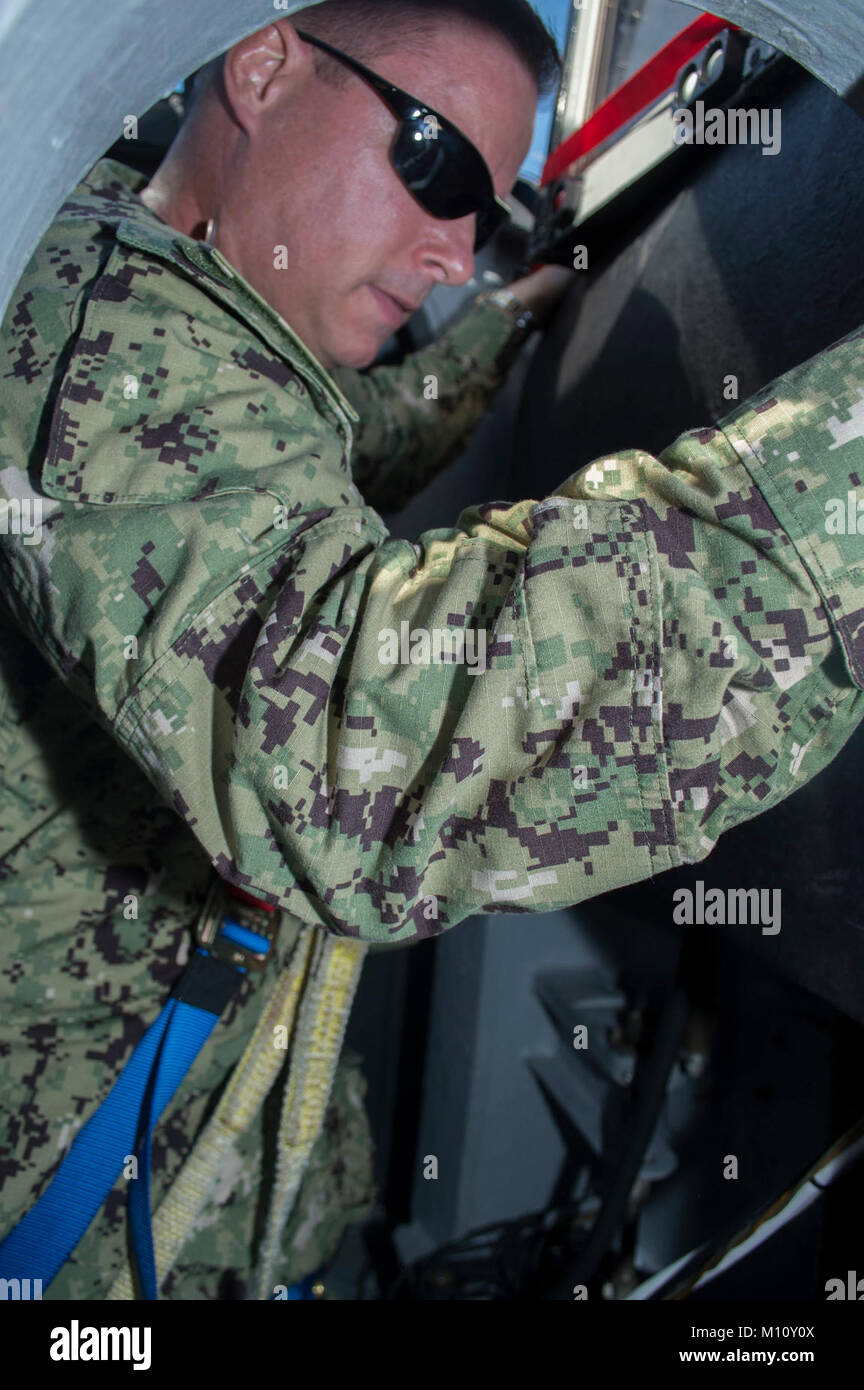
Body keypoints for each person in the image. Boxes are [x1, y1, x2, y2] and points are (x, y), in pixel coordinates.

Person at [0, 0, 862, 1301]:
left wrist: (509, 324)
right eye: (437, 163)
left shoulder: (205, 311)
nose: (455, 250)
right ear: (265, 59)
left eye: (484, 209)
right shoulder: (98, 332)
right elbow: (357, 735)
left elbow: (348, 435)